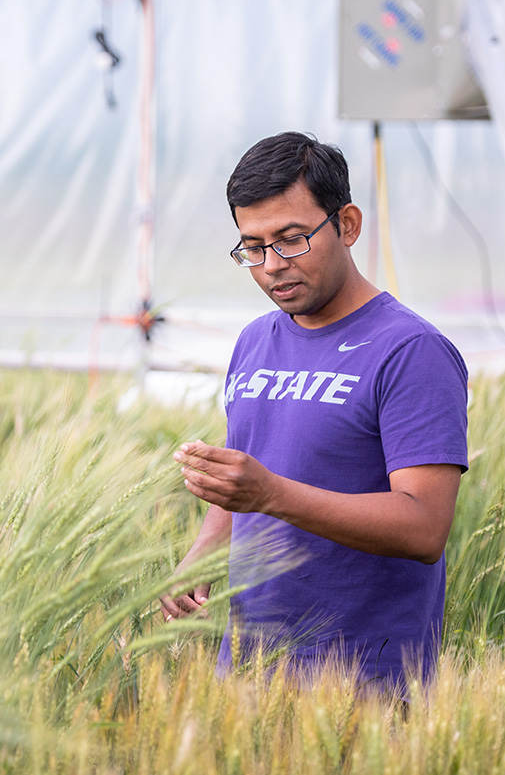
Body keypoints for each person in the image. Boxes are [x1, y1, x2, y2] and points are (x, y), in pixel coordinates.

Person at [159, 131, 468, 691]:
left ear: (346, 225)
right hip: (248, 677)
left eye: (293, 239)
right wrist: (203, 553)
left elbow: (425, 527)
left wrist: (271, 495)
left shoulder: (411, 352)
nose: (272, 265)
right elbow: (247, 475)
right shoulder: (255, 341)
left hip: (361, 688)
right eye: (252, 247)